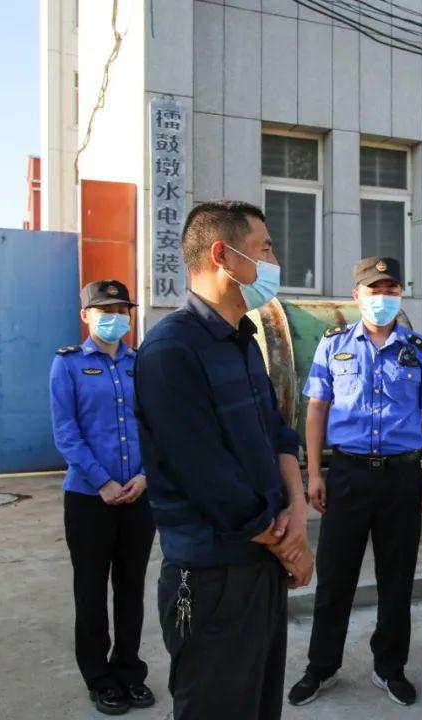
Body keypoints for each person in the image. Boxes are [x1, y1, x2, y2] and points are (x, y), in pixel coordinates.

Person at [133, 200, 314, 720]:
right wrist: (289, 547)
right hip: (212, 579)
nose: (274, 262)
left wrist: (297, 509)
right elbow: (208, 478)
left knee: (259, 705)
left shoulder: (243, 341)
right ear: (223, 255)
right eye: (265, 249)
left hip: (262, 566)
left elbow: (278, 432)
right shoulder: (170, 350)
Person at [288, 256, 422, 708]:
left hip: (402, 478)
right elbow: (316, 409)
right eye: (374, 290)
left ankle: (390, 667)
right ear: (356, 295)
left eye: (391, 289)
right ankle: (321, 667)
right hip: (348, 476)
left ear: (401, 294)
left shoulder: (419, 348)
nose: (383, 297)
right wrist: (314, 473)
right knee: (335, 578)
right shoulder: (334, 345)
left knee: (397, 580)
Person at [49, 279, 156, 716]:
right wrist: (102, 482)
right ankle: (99, 678)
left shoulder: (142, 363)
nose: (115, 317)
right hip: (89, 500)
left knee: (131, 589)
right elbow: (66, 432)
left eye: (121, 310)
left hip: (138, 497)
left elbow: (155, 424)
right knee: (91, 591)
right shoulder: (68, 365)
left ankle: (129, 671)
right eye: (105, 310)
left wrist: (145, 476)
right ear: (86, 316)